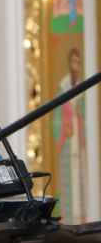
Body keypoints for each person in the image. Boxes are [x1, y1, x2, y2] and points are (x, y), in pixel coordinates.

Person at [52, 47, 86, 223]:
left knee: (81, 182)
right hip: (67, 144)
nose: (75, 66)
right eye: (73, 62)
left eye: (78, 63)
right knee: (68, 183)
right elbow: (56, 118)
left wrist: (79, 119)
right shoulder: (63, 87)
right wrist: (65, 128)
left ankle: (82, 218)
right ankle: (68, 218)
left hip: (79, 144)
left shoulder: (83, 87)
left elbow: (87, 115)